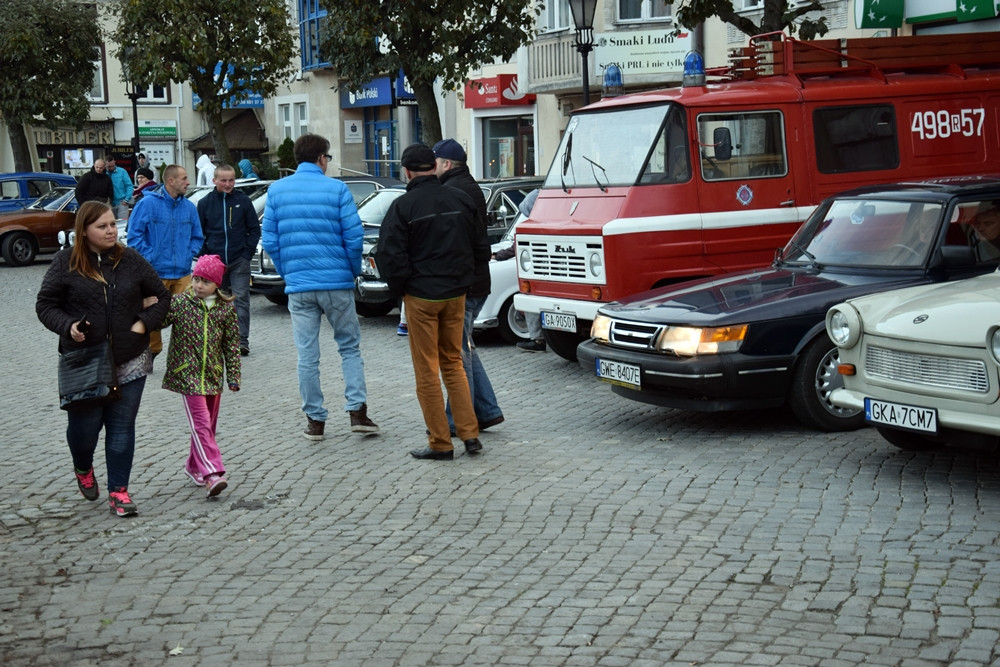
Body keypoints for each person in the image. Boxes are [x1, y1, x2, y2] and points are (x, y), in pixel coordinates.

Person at [36, 201, 171, 517]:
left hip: (130, 358)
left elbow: (163, 297)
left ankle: (119, 492)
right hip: (85, 361)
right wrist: (68, 326)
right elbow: (45, 305)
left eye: (113, 224)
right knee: (85, 430)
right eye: (103, 226)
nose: (111, 231)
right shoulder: (66, 262)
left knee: (122, 428)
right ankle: (83, 466)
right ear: (84, 230)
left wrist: (143, 323)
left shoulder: (130, 259)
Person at [262, 133, 379, 439]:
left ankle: (315, 420)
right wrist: (350, 271)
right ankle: (357, 412)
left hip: (299, 285)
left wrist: (288, 271)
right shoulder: (337, 189)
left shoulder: (277, 191)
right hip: (336, 282)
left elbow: (270, 240)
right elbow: (354, 237)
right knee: (349, 347)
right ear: (321, 158)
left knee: (307, 355)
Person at [377, 143, 490, 461]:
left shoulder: (403, 206)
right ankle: (469, 434)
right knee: (453, 362)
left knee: (427, 370)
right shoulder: (460, 199)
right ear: (434, 166)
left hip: (422, 295)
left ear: (407, 172)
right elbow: (481, 247)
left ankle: (440, 442)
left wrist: (401, 289)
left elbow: (389, 255)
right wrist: (464, 279)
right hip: (456, 293)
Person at [433, 138, 504, 432]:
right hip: (475, 280)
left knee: (457, 353)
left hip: (466, 283)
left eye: (435, 162)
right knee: (465, 348)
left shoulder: (454, 191)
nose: (431, 168)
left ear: (447, 164)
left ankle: (458, 420)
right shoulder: (465, 186)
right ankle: (487, 410)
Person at [161, 254, 241, 498]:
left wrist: (233, 376)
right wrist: (150, 305)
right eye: (196, 279)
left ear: (217, 284)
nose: (198, 285)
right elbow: (159, 321)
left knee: (208, 427)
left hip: (213, 375)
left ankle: (193, 466)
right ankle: (212, 473)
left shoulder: (225, 309)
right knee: (201, 424)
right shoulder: (180, 303)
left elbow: (231, 345)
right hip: (187, 374)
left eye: (205, 281)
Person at [127, 164, 204, 358]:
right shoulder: (147, 204)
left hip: (183, 274)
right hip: (156, 274)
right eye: (184, 178)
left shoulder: (189, 207)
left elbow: (197, 236)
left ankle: (184, 358)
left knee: (186, 319)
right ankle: (150, 354)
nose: (188, 182)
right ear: (171, 181)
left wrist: (188, 254)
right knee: (153, 319)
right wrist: (152, 257)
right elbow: (134, 237)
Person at [197, 163, 261, 356]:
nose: (227, 184)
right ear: (214, 180)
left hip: (238, 260)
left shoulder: (243, 201)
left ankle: (242, 341)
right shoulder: (205, 203)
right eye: (223, 180)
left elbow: (254, 230)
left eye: (231, 180)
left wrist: (246, 254)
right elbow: (198, 234)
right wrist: (206, 256)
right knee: (216, 301)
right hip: (215, 263)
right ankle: (218, 340)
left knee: (241, 300)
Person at [105, 155, 134, 220]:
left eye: (113, 165)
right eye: (109, 166)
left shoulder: (122, 171)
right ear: (105, 165)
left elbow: (129, 185)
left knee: (123, 223)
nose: (111, 168)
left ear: (115, 162)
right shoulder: (103, 173)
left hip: (121, 202)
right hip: (108, 203)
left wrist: (127, 199)